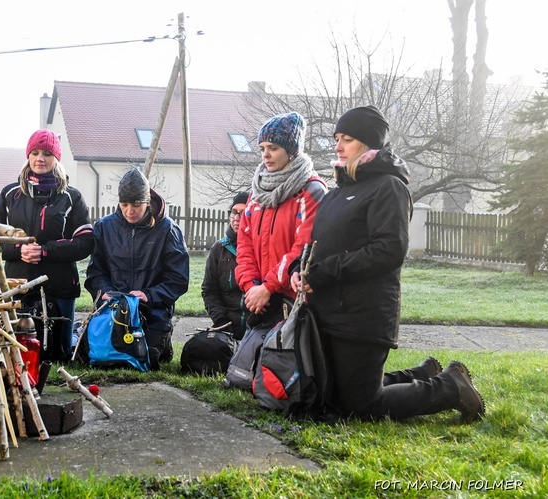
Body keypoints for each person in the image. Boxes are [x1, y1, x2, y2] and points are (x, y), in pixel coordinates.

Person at [290, 105, 486, 422]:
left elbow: (388, 250)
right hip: (328, 310)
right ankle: (423, 373)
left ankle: (450, 386)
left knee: (360, 407)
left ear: (369, 144)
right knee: (334, 398)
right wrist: (299, 271)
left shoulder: (389, 188)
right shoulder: (336, 193)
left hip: (363, 314)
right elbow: (314, 245)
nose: (337, 146)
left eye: (347, 139)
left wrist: (325, 272)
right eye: (337, 138)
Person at [0, 129, 94, 362]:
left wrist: (45, 251)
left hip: (59, 287)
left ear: (56, 158)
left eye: (47, 153)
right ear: (28, 156)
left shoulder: (72, 197)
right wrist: (19, 250)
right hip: (16, 285)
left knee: (57, 355)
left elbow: (86, 241)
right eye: (35, 152)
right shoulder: (10, 195)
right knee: (16, 352)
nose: (40, 158)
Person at [84, 166, 189, 369]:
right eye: (124, 204)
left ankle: (163, 342)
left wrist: (149, 295)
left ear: (147, 202)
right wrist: (104, 292)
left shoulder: (168, 230)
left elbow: (178, 279)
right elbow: (95, 272)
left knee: (144, 359)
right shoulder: (105, 227)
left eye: (136, 205)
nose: (129, 211)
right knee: (98, 357)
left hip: (152, 312)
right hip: (112, 310)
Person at [236, 112, 327, 327]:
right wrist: (252, 288)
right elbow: (244, 247)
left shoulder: (312, 191)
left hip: (296, 301)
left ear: (292, 151)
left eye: (273, 148)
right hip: (261, 301)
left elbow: (303, 248)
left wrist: (268, 287)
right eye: (262, 149)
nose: (265, 155)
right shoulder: (256, 193)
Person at [201, 191, 249, 340]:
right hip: (225, 324)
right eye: (234, 213)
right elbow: (209, 291)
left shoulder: (262, 249)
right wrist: (221, 321)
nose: (236, 219)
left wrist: (253, 323)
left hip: (256, 325)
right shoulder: (218, 249)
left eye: (243, 213)